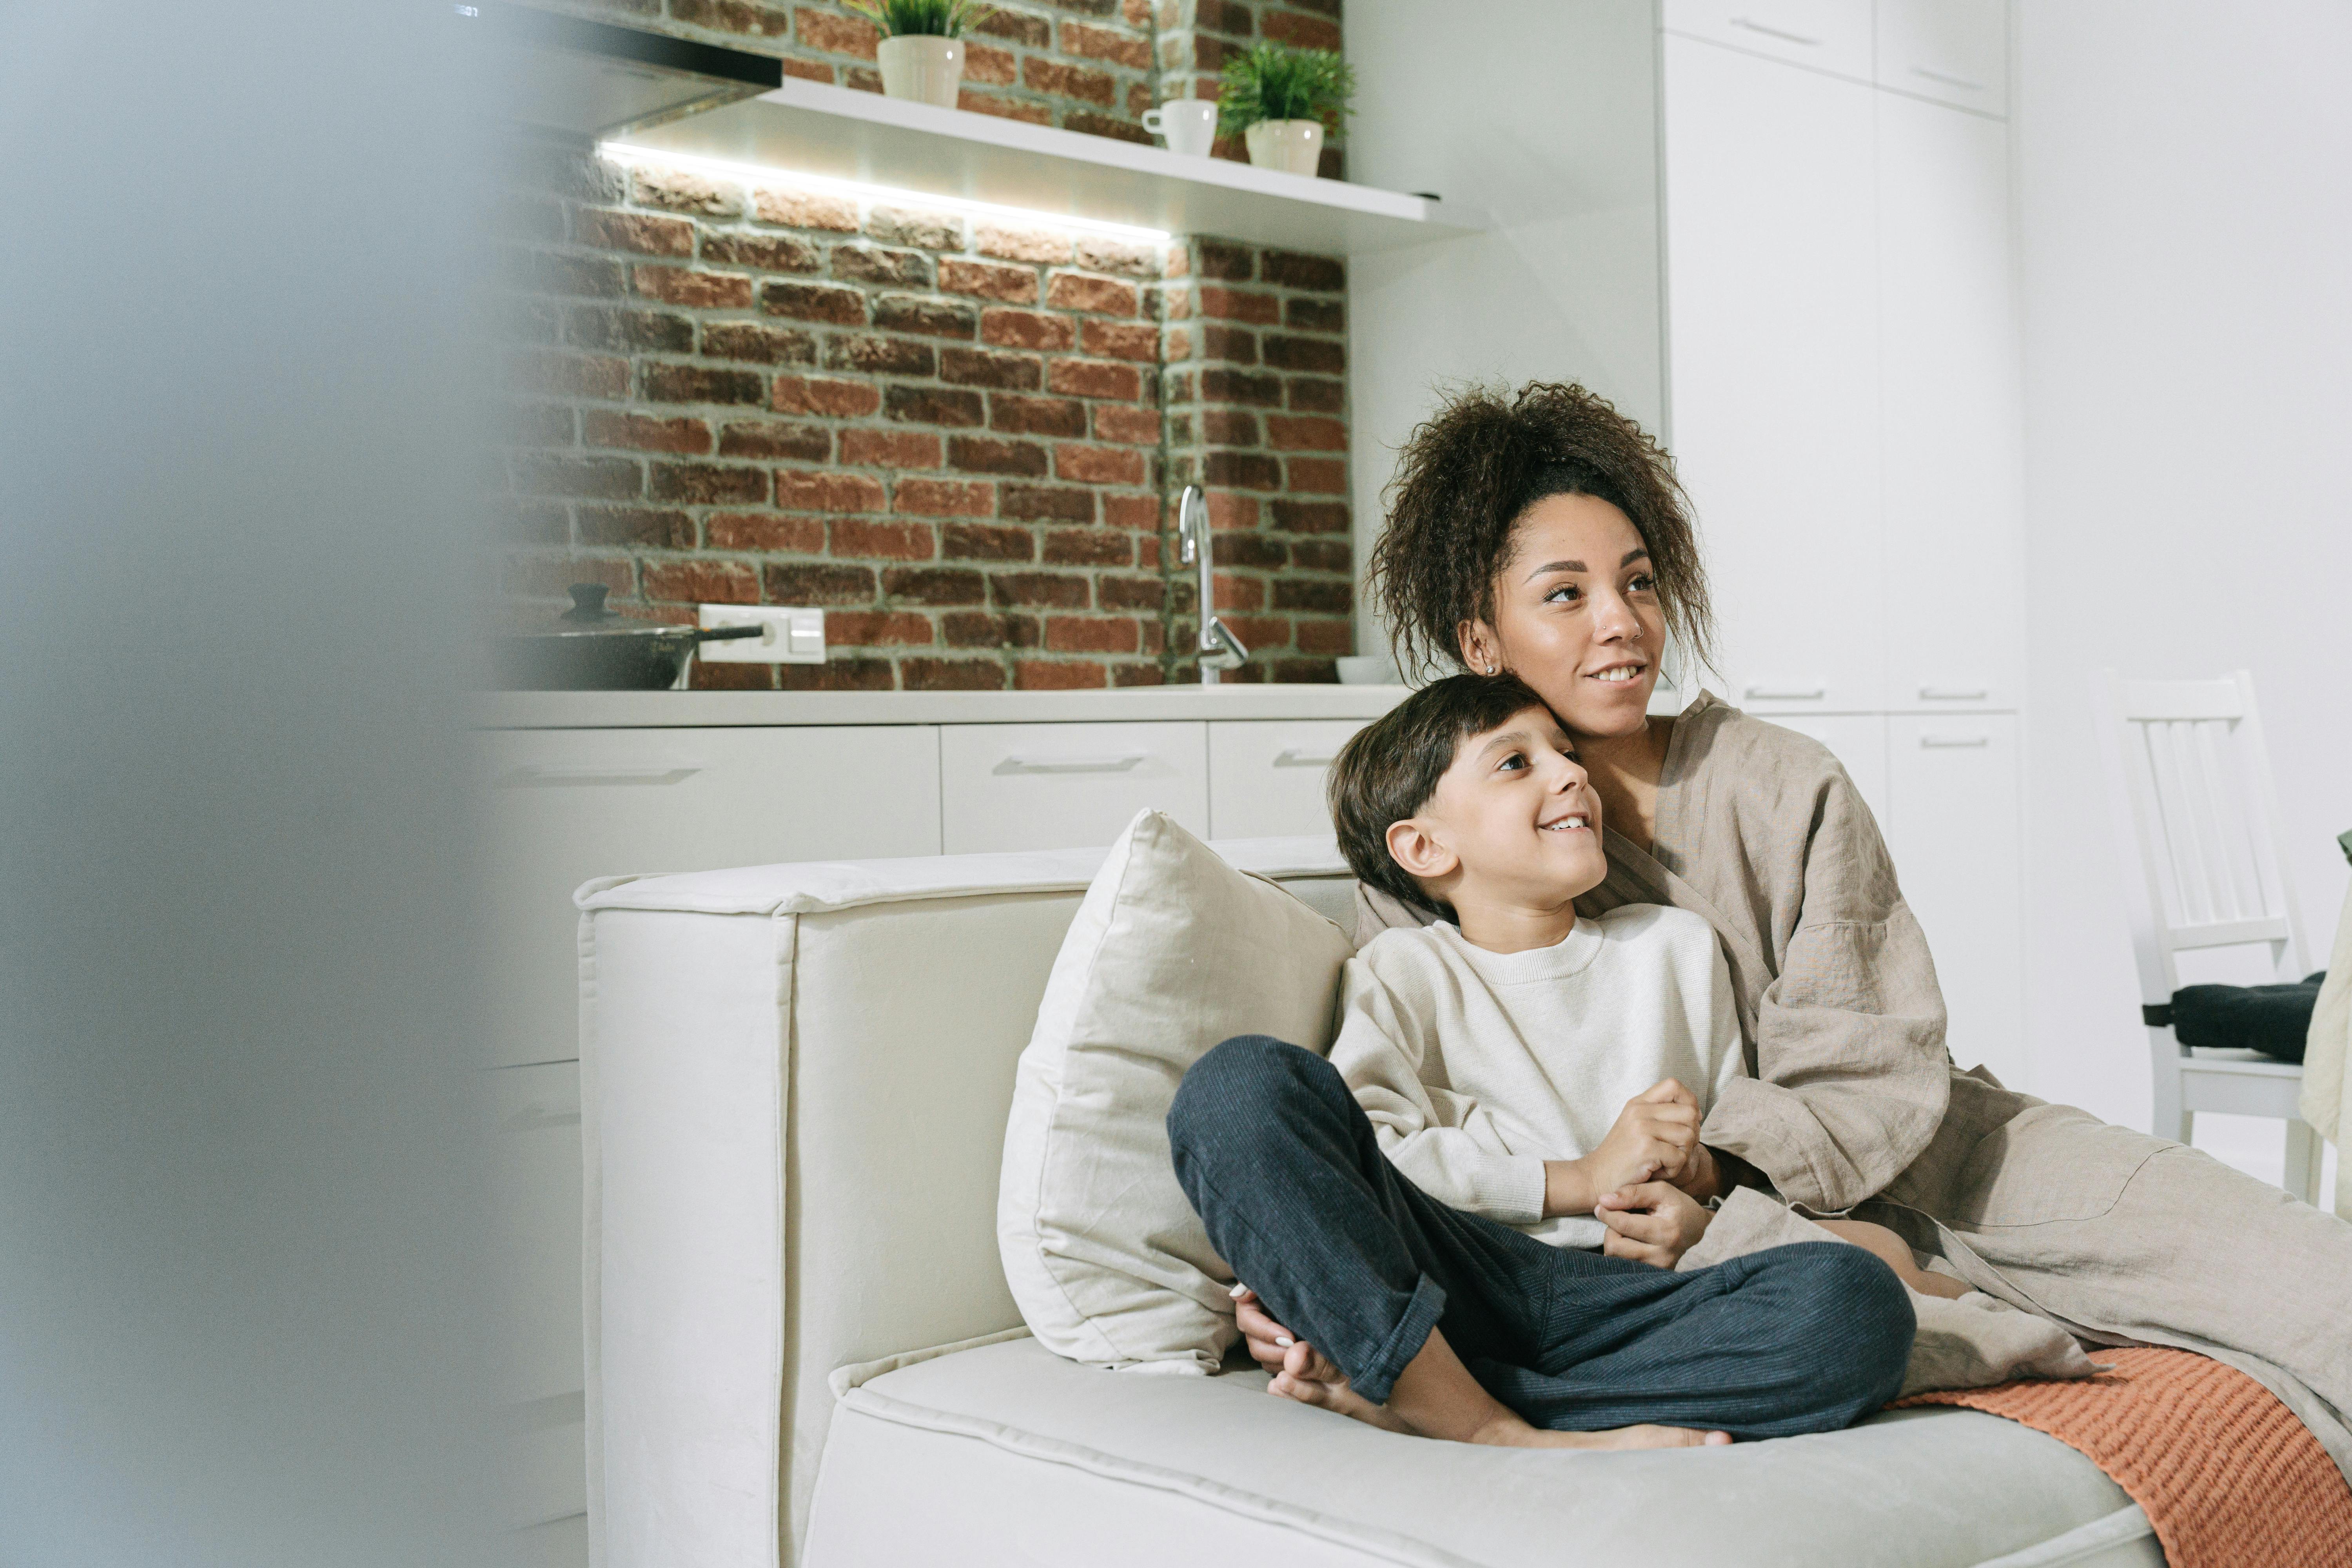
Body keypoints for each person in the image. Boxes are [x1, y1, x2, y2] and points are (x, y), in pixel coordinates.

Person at [1235, 378, 2351, 1472]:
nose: (1623, 622)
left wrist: (1710, 1172)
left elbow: (1872, 1065)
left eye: (1639, 581)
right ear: (1483, 640)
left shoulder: (1783, 785)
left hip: (1944, 1164)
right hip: (1664, 1260)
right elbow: (1413, 1134)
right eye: (1565, 595)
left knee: (2317, 1292)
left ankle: (1919, 1299)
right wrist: (1318, 1272)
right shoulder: (1435, 847)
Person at [1164, 674, 1920, 1451]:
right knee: (1237, 1085)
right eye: (1515, 763)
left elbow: (1724, 1150)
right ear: (1424, 845)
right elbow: (1364, 1159)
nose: (1573, 773)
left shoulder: (1676, 948)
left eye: (1564, 752)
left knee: (1858, 1303)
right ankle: (1486, 1425)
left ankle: (1446, 1395)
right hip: (1455, 1278)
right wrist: (1579, 1178)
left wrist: (1697, 1215)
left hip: (1627, 1299)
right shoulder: (1402, 969)